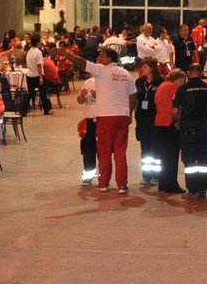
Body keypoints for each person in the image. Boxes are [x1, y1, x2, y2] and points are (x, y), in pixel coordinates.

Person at [68, 48, 135, 193]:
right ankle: (122, 185)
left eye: (101, 56)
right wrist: (129, 113)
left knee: (104, 151)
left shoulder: (101, 70)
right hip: (122, 116)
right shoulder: (126, 73)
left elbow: (81, 63)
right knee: (120, 151)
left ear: (109, 58)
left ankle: (104, 183)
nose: (98, 58)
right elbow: (133, 95)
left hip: (105, 116)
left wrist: (67, 55)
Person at [175, 64, 207, 198]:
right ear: (201, 73)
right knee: (202, 159)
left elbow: (174, 110)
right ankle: (202, 189)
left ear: (189, 73)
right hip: (202, 127)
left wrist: (176, 122)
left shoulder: (182, 89)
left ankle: (192, 190)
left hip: (187, 127)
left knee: (189, 160)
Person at [131, 60, 161, 188]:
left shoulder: (160, 82)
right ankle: (146, 174)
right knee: (145, 147)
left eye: (145, 66)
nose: (142, 68)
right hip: (142, 119)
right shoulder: (139, 82)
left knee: (156, 147)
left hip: (155, 118)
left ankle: (157, 175)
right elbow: (135, 99)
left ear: (152, 68)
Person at [24, 34, 52, 116]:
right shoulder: (38, 52)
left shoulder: (29, 51)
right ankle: (47, 109)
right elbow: (39, 65)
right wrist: (41, 77)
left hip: (30, 75)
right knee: (43, 93)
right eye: (40, 41)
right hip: (37, 75)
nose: (41, 42)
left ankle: (23, 109)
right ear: (37, 42)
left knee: (30, 93)